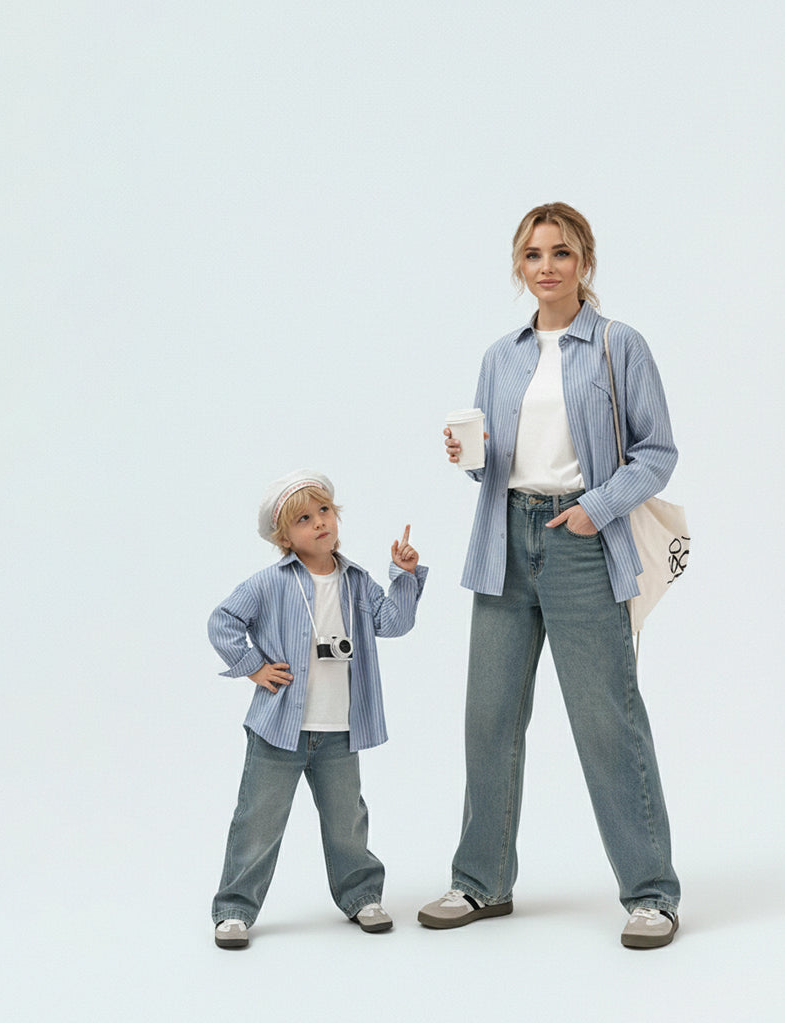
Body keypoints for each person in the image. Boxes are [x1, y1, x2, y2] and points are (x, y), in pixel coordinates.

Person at [418, 203, 681, 949]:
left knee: (608, 720)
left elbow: (657, 451)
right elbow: (493, 466)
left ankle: (652, 893)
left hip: (581, 541)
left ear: (584, 262)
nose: (547, 266)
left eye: (561, 252)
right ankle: (481, 881)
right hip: (505, 536)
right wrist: (470, 458)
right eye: (533, 254)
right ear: (519, 267)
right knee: (489, 718)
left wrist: (596, 510)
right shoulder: (500, 356)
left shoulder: (617, 346)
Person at [208, 469, 426, 949]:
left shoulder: (357, 582)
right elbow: (223, 621)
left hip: (339, 729)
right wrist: (253, 667)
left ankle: (361, 895)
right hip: (278, 730)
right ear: (284, 537)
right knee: (258, 820)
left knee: (347, 818)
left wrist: (404, 577)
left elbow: (393, 623)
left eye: (324, 511)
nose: (319, 523)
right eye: (304, 519)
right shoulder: (270, 583)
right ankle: (234, 909)